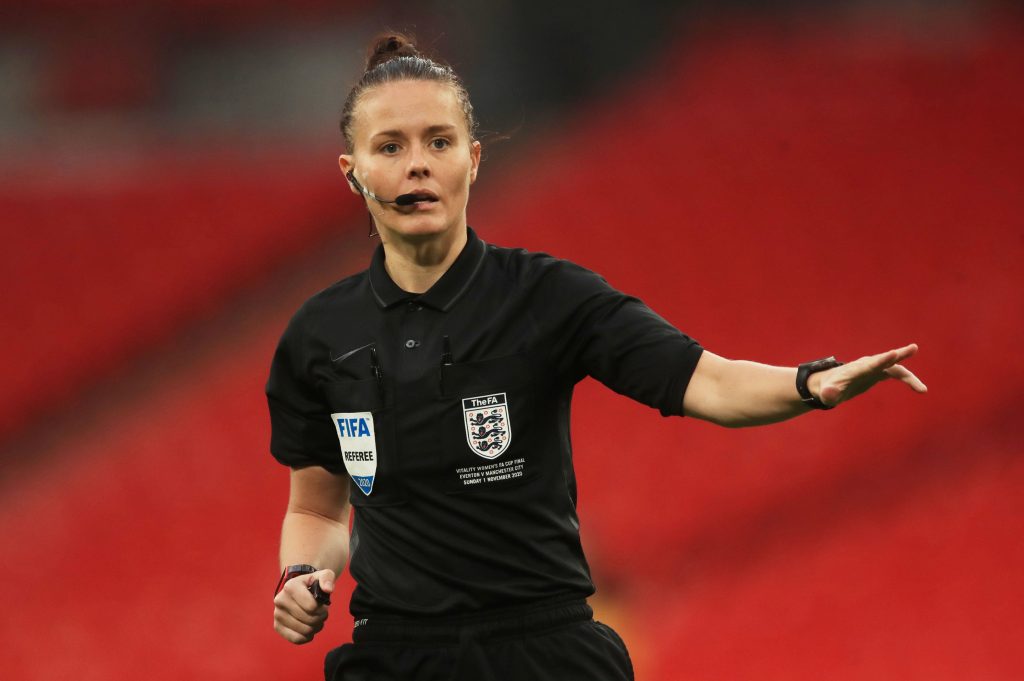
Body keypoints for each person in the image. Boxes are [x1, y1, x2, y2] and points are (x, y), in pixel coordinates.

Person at [266, 33, 927, 681]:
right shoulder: (320, 334)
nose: (418, 164)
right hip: (393, 655)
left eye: (438, 142)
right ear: (353, 172)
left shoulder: (549, 296)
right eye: (391, 146)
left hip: (543, 651)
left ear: (472, 159)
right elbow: (318, 511)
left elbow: (709, 381)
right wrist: (302, 574)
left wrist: (811, 381)